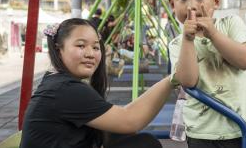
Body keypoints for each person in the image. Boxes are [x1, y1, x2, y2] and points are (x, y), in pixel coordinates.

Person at [20, 18, 174, 148]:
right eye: (80, 45)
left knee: (123, 136)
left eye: (95, 47)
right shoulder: (65, 89)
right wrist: (172, 80)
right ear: (58, 49)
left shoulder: (55, 81)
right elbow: (130, 120)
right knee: (145, 143)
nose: (90, 54)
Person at [168, 0, 246, 148]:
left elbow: (245, 60)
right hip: (202, 134)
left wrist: (213, 34)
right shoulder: (177, 44)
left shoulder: (230, 24)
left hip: (245, 128)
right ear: (172, 5)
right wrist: (188, 40)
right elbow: (188, 81)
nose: (191, 5)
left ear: (215, 1)